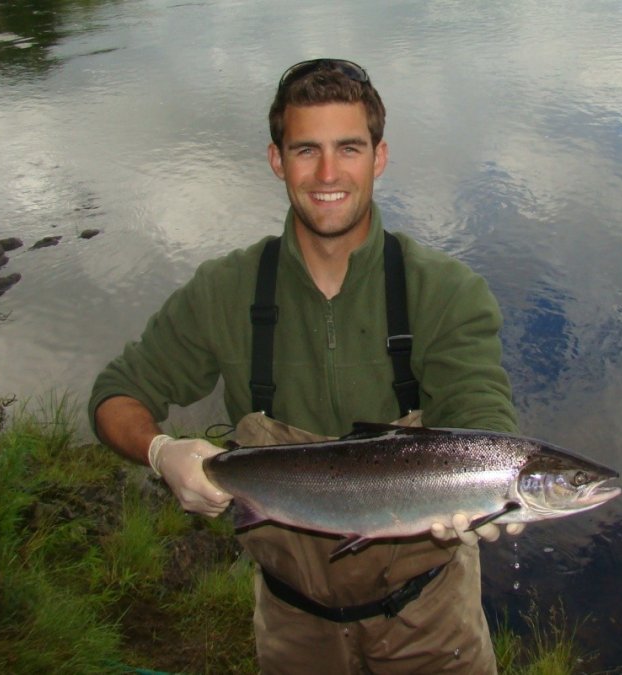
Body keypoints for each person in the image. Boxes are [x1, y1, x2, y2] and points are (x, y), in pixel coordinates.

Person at [89, 58, 521, 674]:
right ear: (276, 161)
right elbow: (115, 396)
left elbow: (480, 413)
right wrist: (161, 453)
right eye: (305, 150)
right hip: (292, 625)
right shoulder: (224, 290)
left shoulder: (447, 291)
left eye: (349, 148)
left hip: (430, 619)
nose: (327, 174)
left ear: (380, 157)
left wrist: (487, 480)